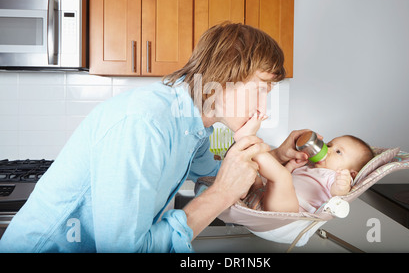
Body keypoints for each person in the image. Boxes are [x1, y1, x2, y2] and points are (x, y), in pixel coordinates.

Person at [0, 23, 311, 253]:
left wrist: (277, 156)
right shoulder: (145, 124)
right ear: (224, 73)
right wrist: (221, 195)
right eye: (260, 89)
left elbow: (216, 171)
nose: (263, 109)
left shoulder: (194, 125)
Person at [233, 113, 374, 213]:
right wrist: (291, 166)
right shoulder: (309, 167)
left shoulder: (337, 176)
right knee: (253, 173)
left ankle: (247, 141)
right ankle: (246, 147)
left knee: (281, 177)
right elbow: (284, 184)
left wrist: (343, 184)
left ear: (351, 172)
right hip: (260, 197)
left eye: (338, 152)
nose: (328, 150)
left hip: (286, 212)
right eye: (329, 145)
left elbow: (338, 194)